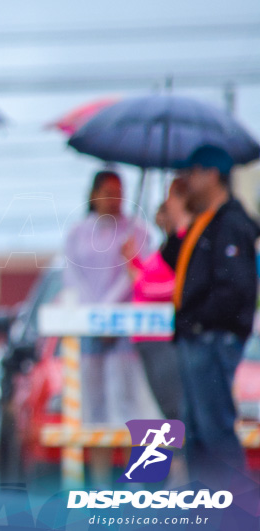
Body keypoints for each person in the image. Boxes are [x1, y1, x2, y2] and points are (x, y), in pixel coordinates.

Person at [162, 144, 260, 485]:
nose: (187, 180)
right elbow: (179, 265)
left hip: (212, 338)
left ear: (212, 174)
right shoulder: (204, 222)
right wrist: (176, 223)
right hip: (197, 337)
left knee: (215, 429)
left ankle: (231, 509)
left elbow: (235, 288)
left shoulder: (231, 223)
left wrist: (201, 320)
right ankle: (207, 509)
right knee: (197, 433)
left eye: (193, 172)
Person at [64, 170, 150, 485]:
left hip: (124, 325)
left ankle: (136, 481)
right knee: (94, 404)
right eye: (108, 191)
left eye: (119, 191)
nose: (114, 198)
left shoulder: (136, 231)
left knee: (129, 402)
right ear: (94, 194)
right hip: (90, 326)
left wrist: (108, 309)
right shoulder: (78, 233)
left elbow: (136, 275)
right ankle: (99, 482)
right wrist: (92, 311)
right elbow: (71, 273)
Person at [122, 178, 191, 420]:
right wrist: (132, 260)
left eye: (171, 197)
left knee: (172, 408)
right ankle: (169, 458)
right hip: (148, 335)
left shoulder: (185, 241)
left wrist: (137, 278)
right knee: (158, 410)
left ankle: (179, 458)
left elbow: (174, 286)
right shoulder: (170, 244)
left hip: (162, 336)